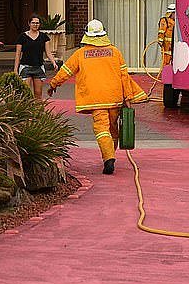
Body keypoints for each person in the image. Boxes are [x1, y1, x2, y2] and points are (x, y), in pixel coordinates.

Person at [47, 19, 148, 175]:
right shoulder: (115, 52)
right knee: (113, 129)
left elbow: (66, 71)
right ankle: (110, 156)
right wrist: (128, 97)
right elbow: (124, 76)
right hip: (114, 97)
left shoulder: (80, 54)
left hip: (95, 99)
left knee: (101, 129)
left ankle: (108, 158)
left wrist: (53, 84)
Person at [14, 15, 59, 99]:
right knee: (25, 93)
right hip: (25, 67)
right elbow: (18, 54)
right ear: (29, 24)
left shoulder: (43, 37)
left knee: (38, 94)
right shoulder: (22, 37)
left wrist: (53, 62)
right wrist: (15, 70)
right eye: (33, 23)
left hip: (38, 67)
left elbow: (48, 52)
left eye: (37, 23)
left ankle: (38, 111)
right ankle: (26, 111)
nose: (35, 25)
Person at [157, 3, 176, 69]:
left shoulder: (175, 21)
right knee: (166, 61)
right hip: (166, 46)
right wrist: (160, 41)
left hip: (174, 45)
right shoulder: (164, 21)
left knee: (174, 62)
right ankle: (165, 76)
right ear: (171, 13)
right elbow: (161, 32)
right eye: (174, 13)